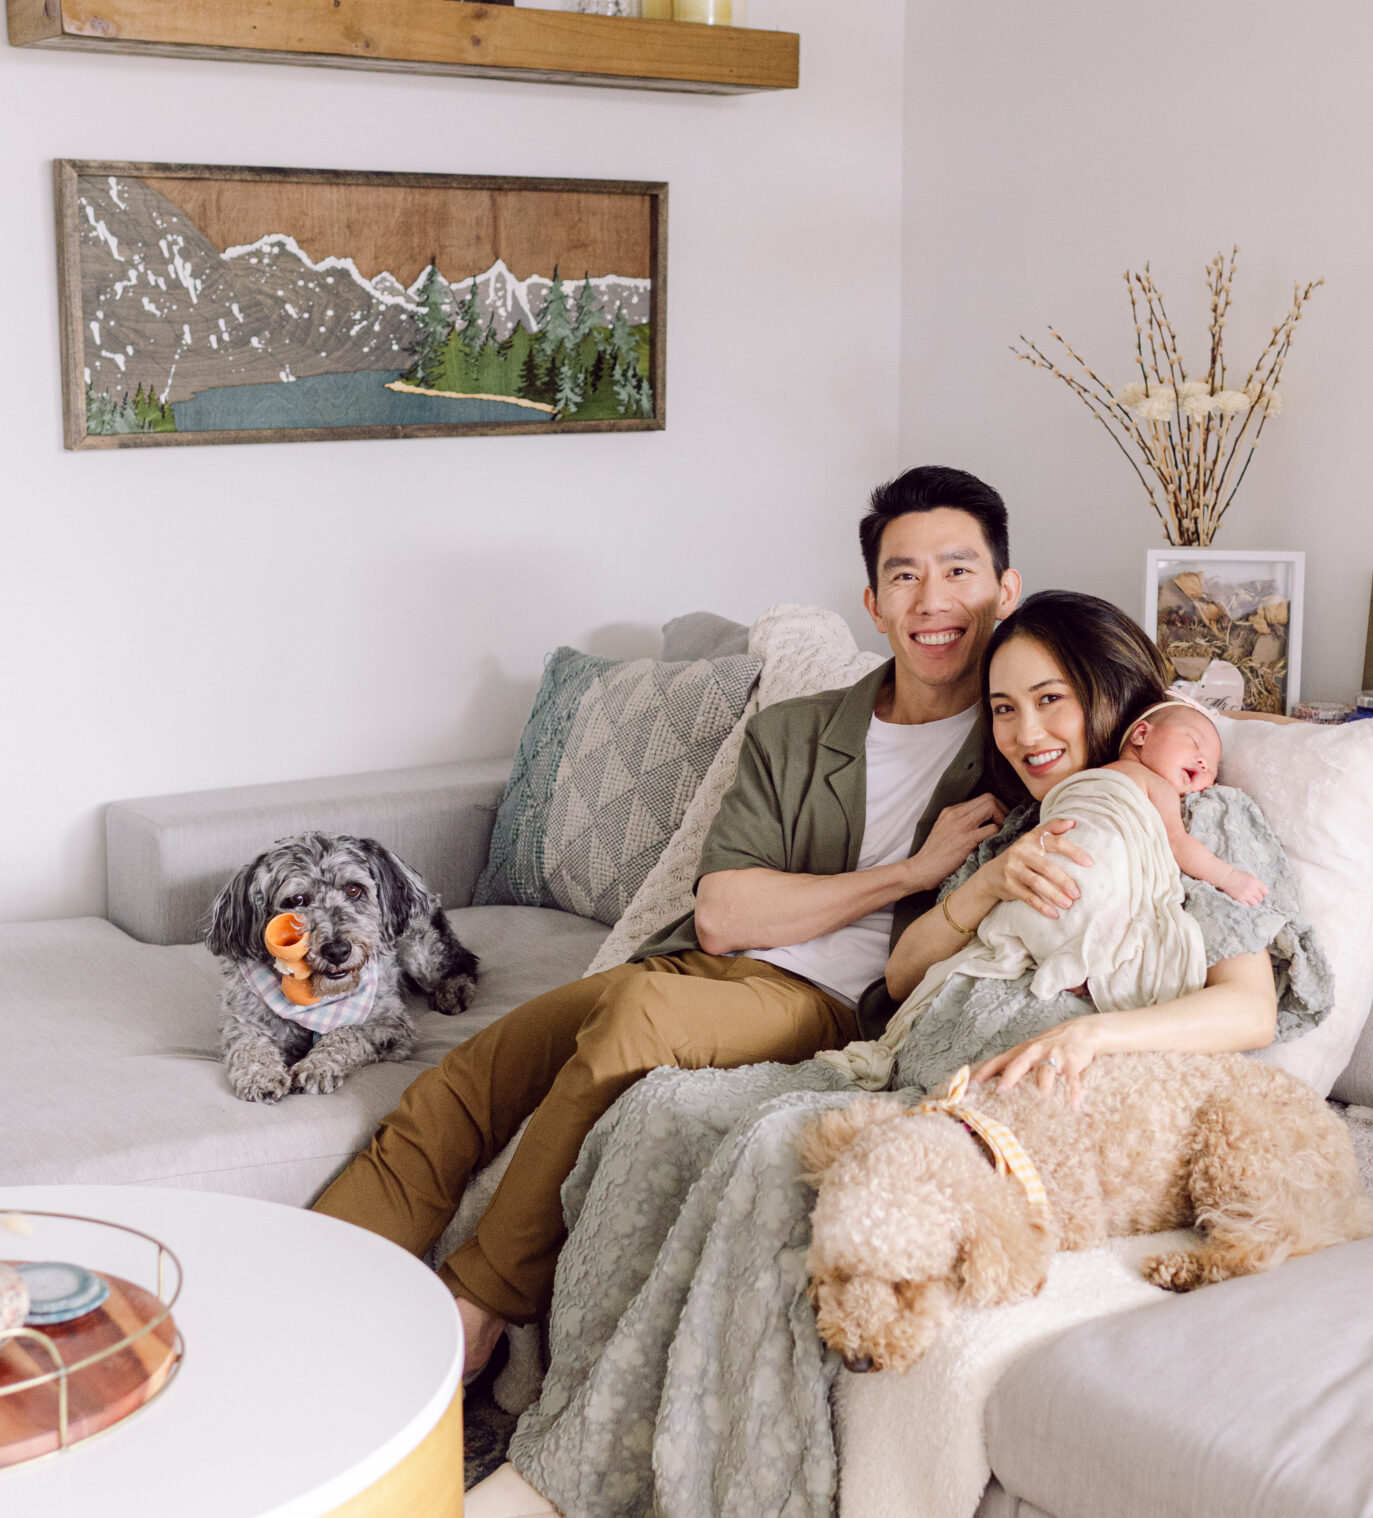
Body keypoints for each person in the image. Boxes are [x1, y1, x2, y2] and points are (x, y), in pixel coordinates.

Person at [497, 593, 1373, 1518]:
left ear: (1117, 700)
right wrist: (980, 892)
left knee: (779, 1159)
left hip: (1017, 1091)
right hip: (903, 1056)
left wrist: (1095, 1032)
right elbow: (900, 972)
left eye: (1050, 701)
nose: (1025, 731)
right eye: (1005, 707)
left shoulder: (1192, 816)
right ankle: (583, 1468)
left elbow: (1246, 1008)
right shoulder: (1021, 822)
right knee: (661, 1111)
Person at [314, 466, 1023, 1377]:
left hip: (833, 1005)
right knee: (465, 1079)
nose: (933, 600)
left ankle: (474, 1311)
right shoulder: (797, 730)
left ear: (1004, 588)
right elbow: (723, 915)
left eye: (959, 571)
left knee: (633, 1015)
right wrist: (910, 873)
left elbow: (1143, 744)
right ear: (873, 603)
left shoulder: (1022, 739)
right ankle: (301, 1291)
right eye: (905, 575)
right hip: (704, 966)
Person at [1111, 697, 1269, 907]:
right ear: (1141, 734)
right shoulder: (1157, 786)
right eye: (1194, 743)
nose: (1203, 764)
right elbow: (1176, 842)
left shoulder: (1097, 772)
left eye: (1212, 770)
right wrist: (1229, 877)